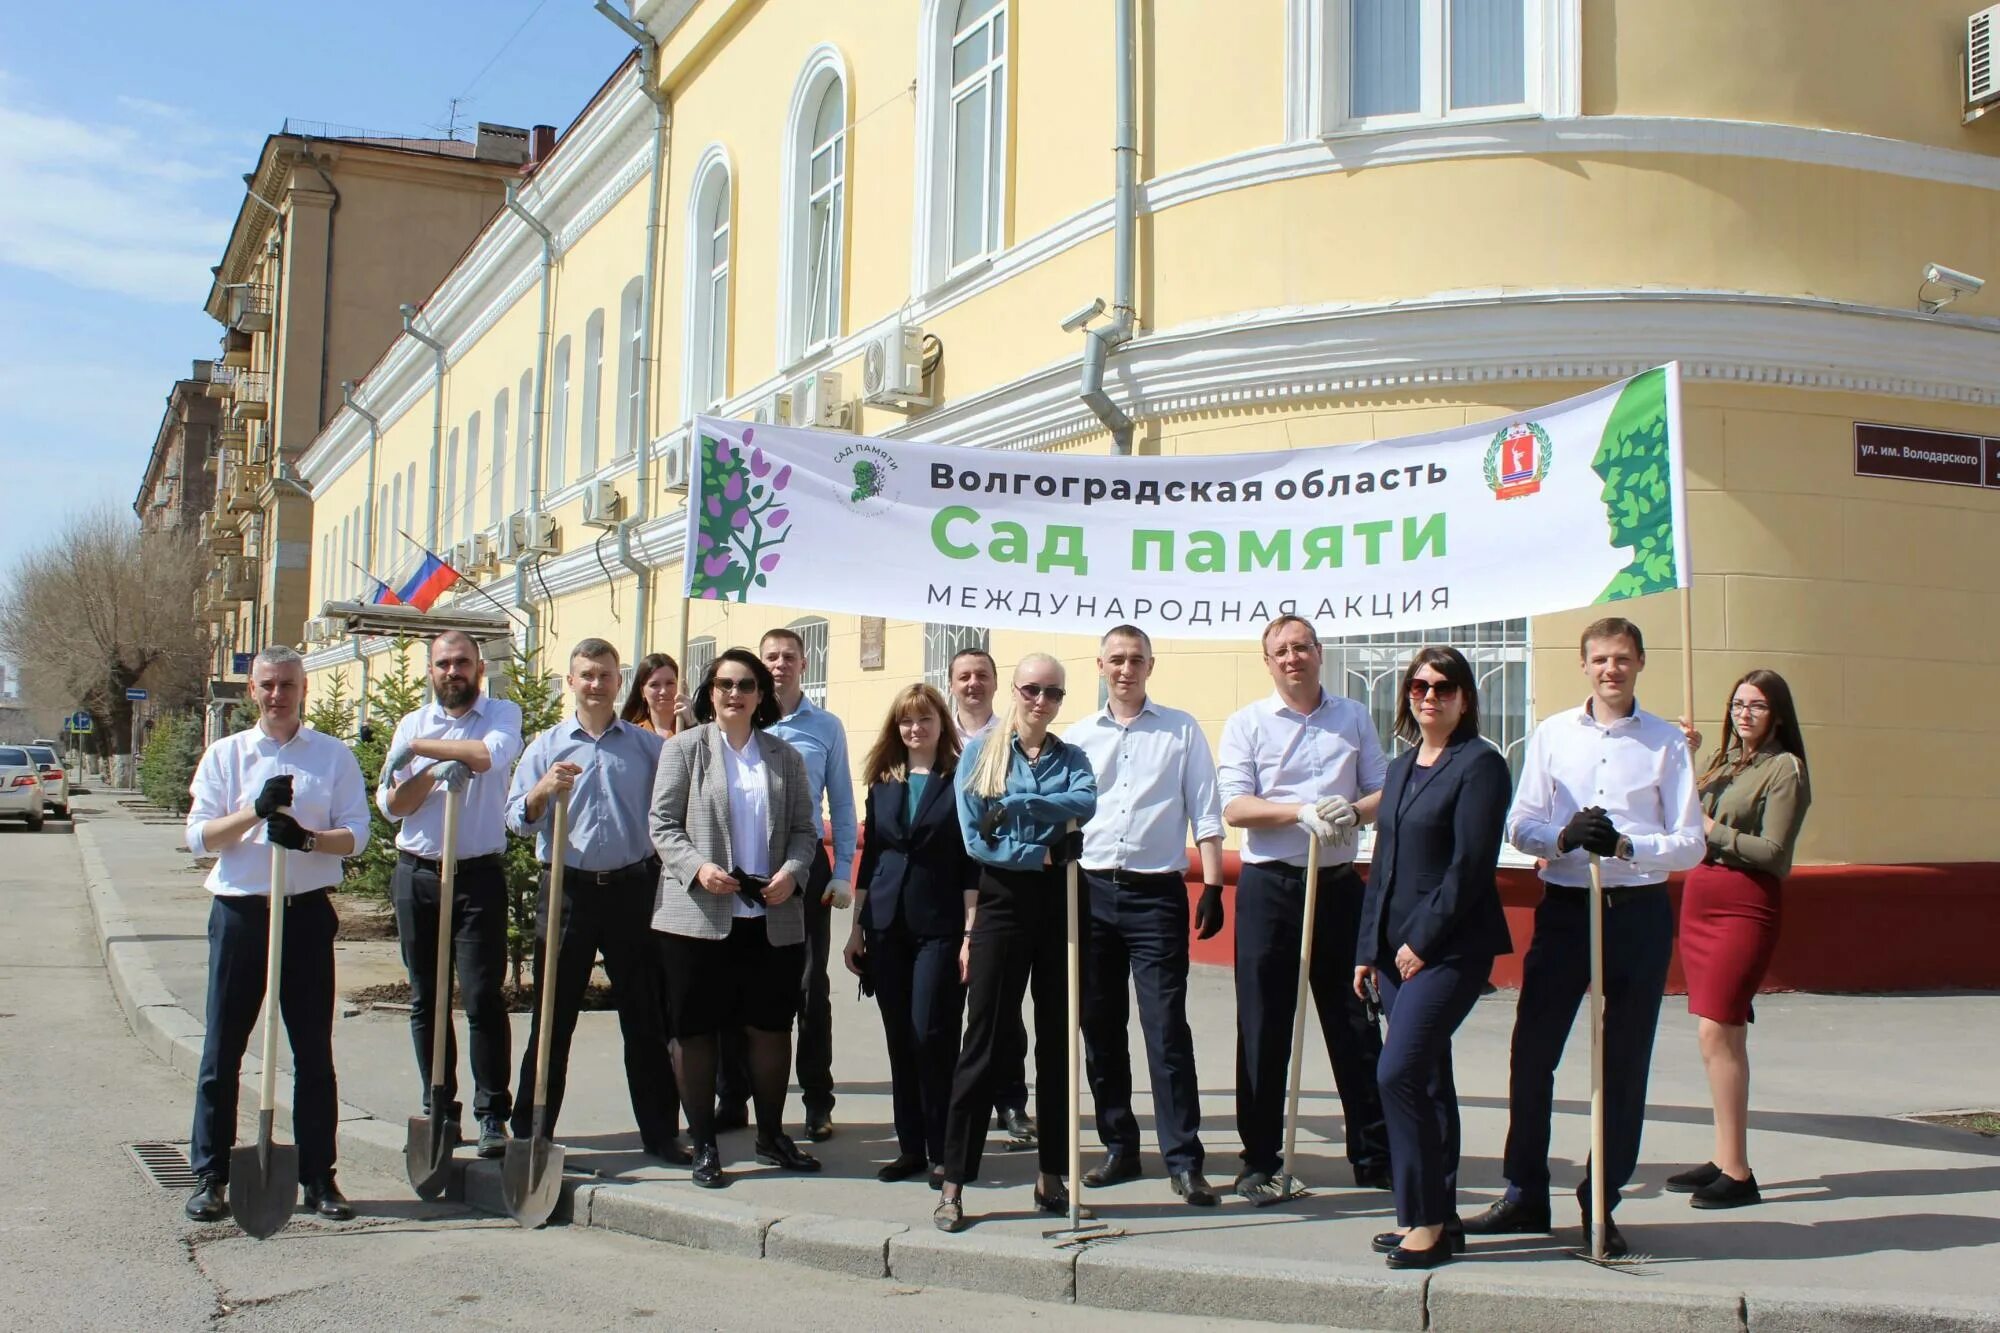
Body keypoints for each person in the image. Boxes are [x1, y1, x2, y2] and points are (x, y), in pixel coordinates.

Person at [1466, 616, 1704, 1258]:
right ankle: (1524, 1192)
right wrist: (1563, 837)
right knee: (1533, 1051)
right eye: (1599, 659)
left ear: (1640, 663)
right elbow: (1522, 824)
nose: (1611, 670)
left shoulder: (1664, 743)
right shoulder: (1552, 735)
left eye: (1622, 658)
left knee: (1624, 1062)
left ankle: (1602, 1199)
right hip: (1568, 907)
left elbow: (1690, 843)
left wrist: (1628, 844)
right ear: (1584, 665)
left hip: (1637, 910)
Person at [182, 646, 371, 1223]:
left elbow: (357, 836)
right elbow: (199, 837)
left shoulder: (331, 756)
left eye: (287, 683)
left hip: (306, 913)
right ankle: (211, 1176)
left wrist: (309, 838)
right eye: (267, 684)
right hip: (241, 913)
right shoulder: (227, 755)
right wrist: (256, 814)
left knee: (313, 1051)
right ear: (252, 692)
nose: (277, 693)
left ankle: (319, 1178)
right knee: (223, 1048)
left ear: (303, 690)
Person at [1217, 614, 1392, 1201]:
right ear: (1267, 662)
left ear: (1319, 654)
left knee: (1354, 1020)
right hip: (1271, 887)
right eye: (1280, 651)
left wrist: (1353, 810)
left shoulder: (1353, 716)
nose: (1292, 658)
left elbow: (1384, 790)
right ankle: (1260, 1157)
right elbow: (1236, 807)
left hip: (1339, 883)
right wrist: (1298, 811)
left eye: (1301, 647)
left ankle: (1373, 1152)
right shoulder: (1247, 723)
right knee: (1264, 1025)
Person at [1353, 646, 1514, 1269]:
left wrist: (1421, 941)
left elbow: (1470, 866)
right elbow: (1384, 865)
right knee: (1426, 1081)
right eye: (1418, 686)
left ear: (1464, 698)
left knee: (1397, 1072)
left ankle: (1420, 1218)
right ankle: (1439, 1217)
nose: (1429, 695)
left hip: (1449, 950)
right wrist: (1369, 949)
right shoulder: (1398, 769)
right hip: (1394, 953)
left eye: (1444, 686)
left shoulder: (1481, 766)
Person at [934, 653, 1097, 1232]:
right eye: (1032, 689)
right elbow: (977, 837)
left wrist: (1019, 806)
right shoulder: (982, 752)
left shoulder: (1071, 755)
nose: (1041, 702)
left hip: (1059, 905)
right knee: (983, 1039)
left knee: (1057, 1042)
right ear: (1014, 691)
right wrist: (1043, 848)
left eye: (1053, 693)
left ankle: (1052, 1176)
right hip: (1002, 901)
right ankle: (954, 1183)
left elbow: (1085, 801)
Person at [1064, 625, 1225, 1208]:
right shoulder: (1077, 736)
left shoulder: (1181, 729)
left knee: (1165, 1028)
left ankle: (1184, 1159)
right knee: (1099, 1026)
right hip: (1090, 893)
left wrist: (1211, 884)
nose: (1126, 669)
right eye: (1116, 660)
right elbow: (1065, 814)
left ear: (1150, 666)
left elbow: (1206, 810)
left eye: (1136, 659)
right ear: (1100, 666)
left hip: (1156, 895)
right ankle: (1119, 1146)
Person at [506, 638, 684, 1163]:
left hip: (633, 890)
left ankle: (659, 1133)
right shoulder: (545, 746)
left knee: (644, 1017)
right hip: (567, 890)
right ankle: (531, 1127)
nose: (596, 684)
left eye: (605, 675)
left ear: (617, 681)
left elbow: (673, 811)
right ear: (571, 681)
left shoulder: (647, 748)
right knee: (552, 1016)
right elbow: (516, 820)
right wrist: (542, 790)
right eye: (586, 675)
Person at [651, 648, 823, 1188]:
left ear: (760, 695)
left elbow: (804, 828)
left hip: (769, 916)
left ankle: (771, 1136)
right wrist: (698, 869)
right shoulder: (684, 749)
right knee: (696, 1032)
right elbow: (662, 825)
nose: (735, 693)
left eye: (746, 684)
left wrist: (793, 872)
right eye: (724, 683)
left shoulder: (784, 756)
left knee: (771, 1030)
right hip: (698, 918)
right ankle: (704, 1143)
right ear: (709, 692)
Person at [377, 630, 523, 1159]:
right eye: (443, 663)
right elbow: (394, 804)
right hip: (418, 874)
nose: (452, 671)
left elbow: (489, 756)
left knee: (483, 996)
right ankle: (439, 1103)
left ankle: (492, 1115)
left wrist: (419, 751)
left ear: (478, 668)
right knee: (427, 998)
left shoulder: (501, 715)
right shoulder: (410, 723)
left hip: (477, 876)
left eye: (462, 662)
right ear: (430, 671)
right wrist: (434, 771)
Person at [1668, 669, 1810, 1210]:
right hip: (1703, 898)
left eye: (1756, 706)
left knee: (1718, 1029)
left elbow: (1775, 853)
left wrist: (1713, 832)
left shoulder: (1784, 769)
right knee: (1717, 1033)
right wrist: (1682, 758)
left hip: (1745, 902)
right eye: (1737, 705)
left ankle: (1739, 1172)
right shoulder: (1724, 764)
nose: (1744, 714)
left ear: (1777, 714)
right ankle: (1725, 1154)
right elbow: (1681, 814)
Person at [842, 684, 973, 1185]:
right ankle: (911, 1148)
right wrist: (856, 930)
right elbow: (871, 859)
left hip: (939, 927)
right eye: (905, 721)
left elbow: (969, 865)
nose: (914, 729)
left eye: (924, 719)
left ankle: (946, 1150)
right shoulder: (883, 781)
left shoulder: (960, 779)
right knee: (900, 1039)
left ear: (942, 723)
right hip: (886, 927)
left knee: (931, 1035)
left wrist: (969, 933)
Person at [748, 627, 857, 1144]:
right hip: (746, 868)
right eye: (770, 657)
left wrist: (841, 873)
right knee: (744, 984)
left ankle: (817, 1101)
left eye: (788, 656)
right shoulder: (741, 717)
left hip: (806, 867)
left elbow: (842, 803)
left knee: (811, 989)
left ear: (804, 664)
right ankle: (736, 1095)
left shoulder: (826, 727)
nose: (778, 665)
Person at [946, 645, 1036, 1150]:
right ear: (952, 683)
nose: (973, 683)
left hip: (1001, 878)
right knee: (953, 1002)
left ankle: (1012, 1102)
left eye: (981, 675)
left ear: (995, 683)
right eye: (964, 676)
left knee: (1001, 1004)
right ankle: (956, 1102)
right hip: (947, 883)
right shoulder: (937, 735)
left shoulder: (1013, 738)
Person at [621, 651, 693, 736]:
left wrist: (693, 725)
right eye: (654, 685)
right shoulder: (630, 733)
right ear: (642, 691)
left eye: (670, 683)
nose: (663, 691)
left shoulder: (697, 729)